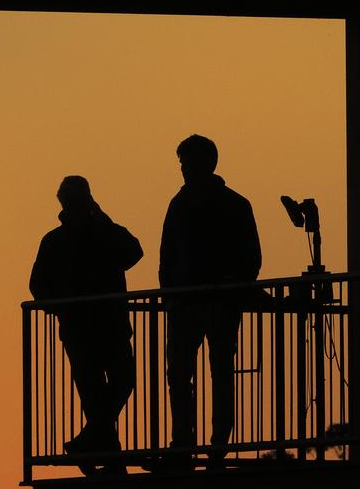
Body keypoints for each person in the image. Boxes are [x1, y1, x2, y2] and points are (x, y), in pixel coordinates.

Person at [159, 135, 261, 470]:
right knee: (181, 373)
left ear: (206, 164)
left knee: (218, 370)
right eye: (182, 163)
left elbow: (251, 258)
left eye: (187, 163)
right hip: (186, 304)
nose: (184, 170)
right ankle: (183, 442)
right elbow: (167, 255)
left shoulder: (233, 204)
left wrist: (231, 283)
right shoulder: (180, 204)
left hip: (218, 303)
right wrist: (172, 294)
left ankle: (217, 441)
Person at [29, 175, 142, 476]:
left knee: (110, 388)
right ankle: (107, 457)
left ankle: (90, 444)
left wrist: (62, 309)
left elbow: (133, 252)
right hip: (94, 327)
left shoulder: (79, 236)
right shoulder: (61, 240)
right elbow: (38, 286)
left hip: (96, 327)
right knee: (107, 389)